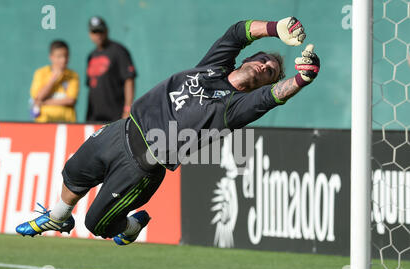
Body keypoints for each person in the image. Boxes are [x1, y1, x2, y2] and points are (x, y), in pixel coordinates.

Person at [16, 17, 320, 246]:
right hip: (122, 130)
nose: (266, 66)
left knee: (97, 225)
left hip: (141, 167)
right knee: (73, 170)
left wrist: (301, 79)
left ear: (265, 82)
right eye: (264, 59)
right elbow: (236, 33)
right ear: (248, 59)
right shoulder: (213, 66)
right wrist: (275, 26)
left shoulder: (237, 106)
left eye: (271, 72)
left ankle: (131, 228)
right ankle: (57, 217)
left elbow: (274, 97)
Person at [86, 16, 137, 122]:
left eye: (100, 31)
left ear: (107, 31)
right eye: (95, 32)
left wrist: (128, 108)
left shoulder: (118, 51)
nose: (98, 35)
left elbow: (129, 80)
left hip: (115, 115)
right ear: (90, 34)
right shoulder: (91, 56)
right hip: (95, 117)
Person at [30, 40, 79, 123]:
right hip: (44, 122)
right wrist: (53, 80)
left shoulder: (73, 75)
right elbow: (37, 97)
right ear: (51, 57)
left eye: (66, 56)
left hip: (67, 123)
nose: (63, 60)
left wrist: (44, 102)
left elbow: (71, 100)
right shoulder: (41, 73)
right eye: (59, 56)